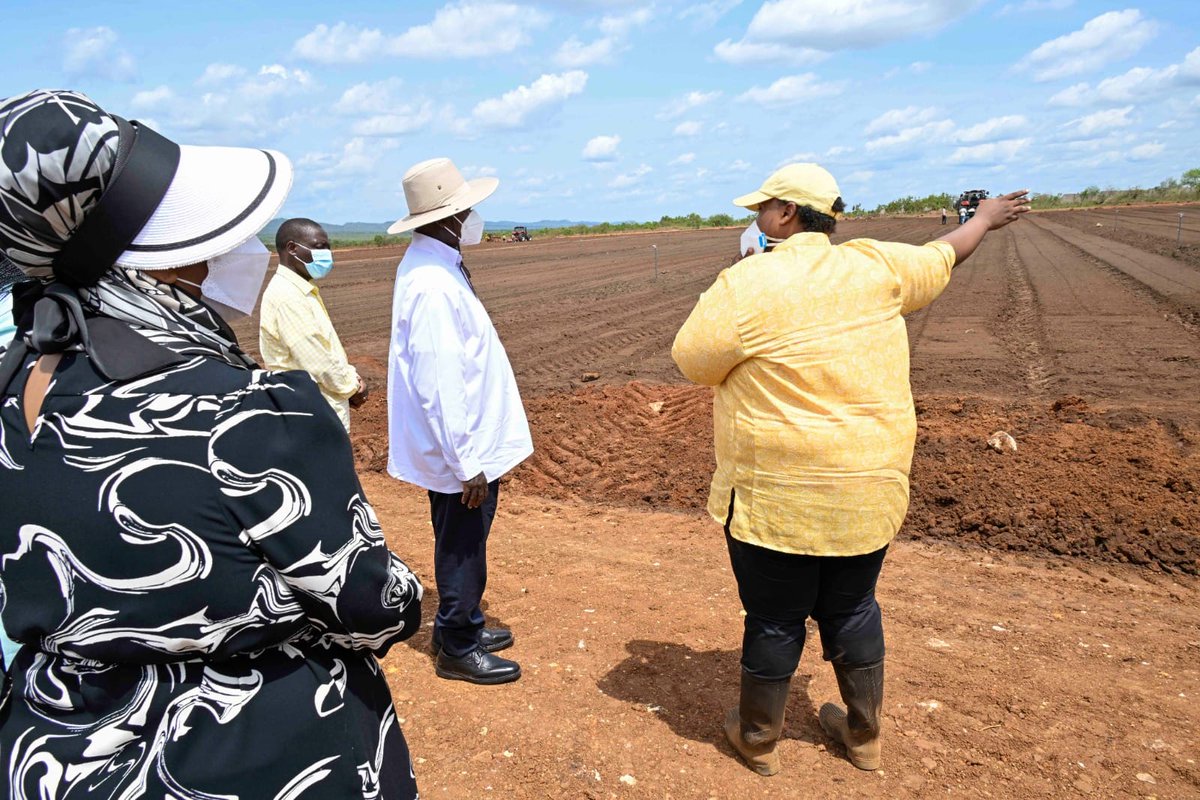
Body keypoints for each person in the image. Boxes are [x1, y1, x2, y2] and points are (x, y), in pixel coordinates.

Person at [0, 89, 423, 798]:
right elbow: (372, 604)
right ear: (165, 267)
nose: (242, 253)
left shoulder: (14, 391)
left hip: (54, 758)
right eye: (212, 239)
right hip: (249, 756)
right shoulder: (249, 412)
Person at [671, 162, 1028, 777]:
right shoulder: (877, 266)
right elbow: (946, 252)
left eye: (762, 207)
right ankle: (863, 738)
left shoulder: (747, 284)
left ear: (785, 214)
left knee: (776, 617)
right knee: (854, 605)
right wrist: (987, 219)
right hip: (868, 488)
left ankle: (758, 740)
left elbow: (693, 363)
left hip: (774, 497)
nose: (755, 217)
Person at [385, 157, 532, 685]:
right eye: (468, 209)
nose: (475, 217)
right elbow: (440, 381)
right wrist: (467, 461)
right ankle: (458, 646)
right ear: (448, 217)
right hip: (459, 450)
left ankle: (458, 624)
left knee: (465, 536)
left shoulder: (438, 267)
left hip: (463, 443)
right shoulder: (431, 284)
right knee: (462, 542)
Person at [259, 217, 367, 432]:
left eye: (328, 247)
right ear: (292, 248)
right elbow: (317, 359)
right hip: (314, 415)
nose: (327, 254)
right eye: (319, 247)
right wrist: (352, 387)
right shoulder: (288, 296)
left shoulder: (298, 289)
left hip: (317, 410)